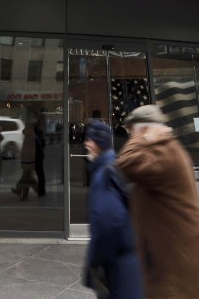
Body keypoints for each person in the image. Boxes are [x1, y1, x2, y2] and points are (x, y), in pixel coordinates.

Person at [116, 105, 199, 299]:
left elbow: (127, 161)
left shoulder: (165, 151)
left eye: (131, 130)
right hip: (172, 260)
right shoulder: (163, 149)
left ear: (143, 128)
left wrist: (140, 135)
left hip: (179, 270)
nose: (130, 136)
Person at [83, 120, 143, 299]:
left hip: (117, 265)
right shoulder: (116, 165)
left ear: (100, 143)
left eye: (90, 140)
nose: (86, 143)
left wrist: (96, 260)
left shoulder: (104, 173)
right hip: (129, 261)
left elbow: (109, 223)